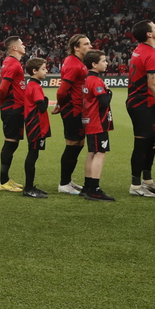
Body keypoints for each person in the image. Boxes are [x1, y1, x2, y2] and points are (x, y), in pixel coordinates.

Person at [127, 20, 155, 197]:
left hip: (142, 102)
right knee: (142, 144)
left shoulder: (139, 50)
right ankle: (136, 186)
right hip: (142, 103)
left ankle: (147, 181)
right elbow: (153, 84)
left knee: (150, 142)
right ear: (149, 34)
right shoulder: (151, 54)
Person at [54, 34, 92, 195]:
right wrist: (62, 105)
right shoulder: (73, 64)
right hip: (73, 109)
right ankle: (63, 183)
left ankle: (68, 180)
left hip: (78, 108)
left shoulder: (79, 63)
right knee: (72, 144)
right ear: (76, 47)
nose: (90, 46)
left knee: (79, 144)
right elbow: (62, 90)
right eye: (86, 44)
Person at [0, 35, 26, 192]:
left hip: (14, 107)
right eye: (22, 44)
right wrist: (0, 102)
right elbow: (3, 87)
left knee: (13, 143)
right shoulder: (12, 64)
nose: (24, 46)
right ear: (15, 48)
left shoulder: (11, 63)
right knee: (10, 142)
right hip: (13, 108)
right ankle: (3, 181)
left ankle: (6, 179)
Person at [80, 49, 115, 201]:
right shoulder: (96, 81)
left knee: (92, 153)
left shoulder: (86, 79)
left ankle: (87, 186)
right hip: (97, 123)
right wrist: (109, 93)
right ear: (94, 64)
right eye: (103, 61)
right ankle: (94, 189)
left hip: (89, 121)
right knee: (100, 153)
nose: (106, 63)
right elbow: (104, 102)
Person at [21, 57, 51, 199]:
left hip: (33, 125)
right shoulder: (35, 86)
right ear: (34, 71)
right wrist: (45, 99)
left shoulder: (31, 85)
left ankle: (30, 187)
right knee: (32, 155)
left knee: (33, 155)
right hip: (36, 126)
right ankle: (28, 188)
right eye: (43, 69)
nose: (46, 71)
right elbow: (42, 107)